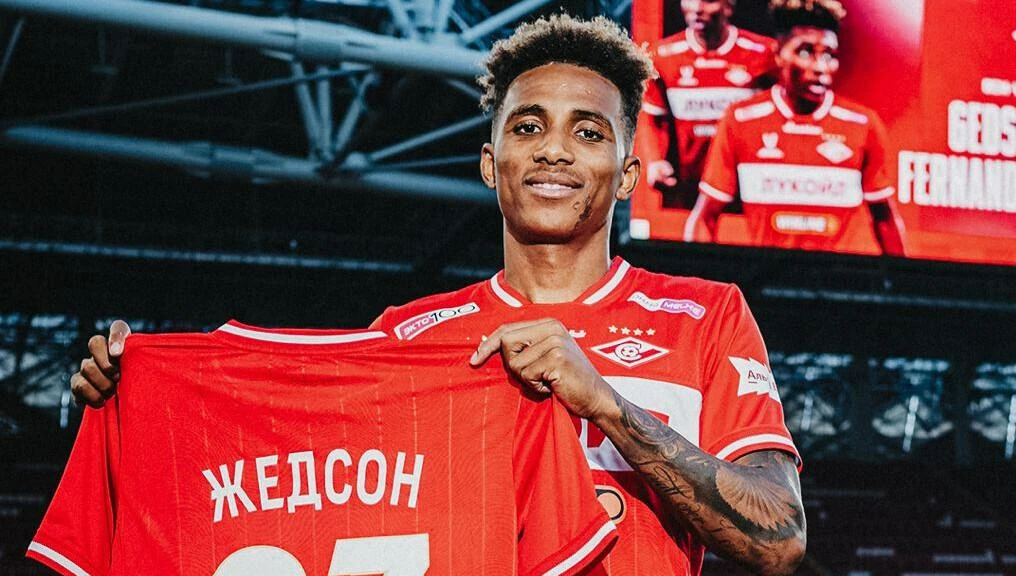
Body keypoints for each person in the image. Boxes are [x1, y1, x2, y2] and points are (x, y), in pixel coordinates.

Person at [71, 14, 806, 576]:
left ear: (627, 174)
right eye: (528, 126)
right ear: (491, 163)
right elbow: (293, 490)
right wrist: (135, 398)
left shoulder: (705, 315)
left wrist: (607, 404)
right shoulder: (407, 335)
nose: (554, 149)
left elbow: (779, 538)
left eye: (588, 132)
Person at [684, 0, 906, 255]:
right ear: (778, 54)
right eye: (805, 52)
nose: (820, 67)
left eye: (829, 55)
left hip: (838, 277)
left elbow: (886, 222)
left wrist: (901, 279)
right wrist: (697, 274)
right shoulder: (741, 121)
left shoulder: (863, 125)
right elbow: (705, 218)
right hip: (768, 277)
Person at [638, 0, 778, 209]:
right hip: (690, 187)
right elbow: (653, 118)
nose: (697, 8)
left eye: (708, 0)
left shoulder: (765, 53)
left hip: (747, 187)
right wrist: (655, 161)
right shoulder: (662, 56)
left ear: (728, 6)